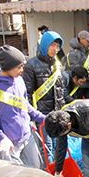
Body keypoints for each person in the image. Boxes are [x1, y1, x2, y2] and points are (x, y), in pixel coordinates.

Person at [0, 45, 45, 168]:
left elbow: (24, 104)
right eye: (19, 67)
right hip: (10, 143)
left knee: (36, 170)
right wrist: (1, 138)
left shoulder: (19, 80)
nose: (22, 70)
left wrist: (42, 118)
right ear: (8, 67)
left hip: (27, 136)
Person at [23, 30, 65, 165]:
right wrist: (29, 115)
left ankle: (57, 173)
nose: (55, 49)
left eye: (58, 46)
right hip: (42, 114)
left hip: (58, 113)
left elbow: (61, 89)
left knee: (58, 147)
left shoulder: (57, 64)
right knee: (46, 148)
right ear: (45, 44)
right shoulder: (31, 65)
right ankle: (48, 175)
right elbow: (27, 93)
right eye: (52, 45)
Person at [54, 66, 88, 177]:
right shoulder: (64, 79)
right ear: (74, 78)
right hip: (59, 114)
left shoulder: (72, 80)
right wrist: (77, 104)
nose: (81, 84)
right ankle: (56, 169)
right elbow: (64, 96)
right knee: (59, 143)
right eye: (81, 81)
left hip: (66, 113)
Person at [68, 30, 89, 99]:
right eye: (87, 41)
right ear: (81, 39)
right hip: (78, 85)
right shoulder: (73, 54)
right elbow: (76, 70)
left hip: (88, 84)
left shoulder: (87, 51)